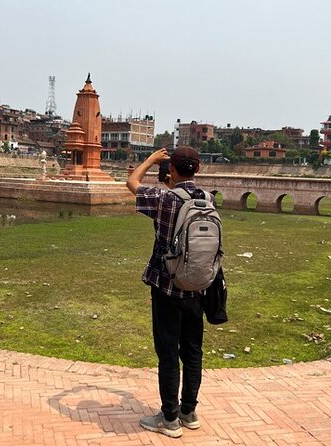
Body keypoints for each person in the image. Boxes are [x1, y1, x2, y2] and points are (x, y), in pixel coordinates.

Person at [126, 146, 209, 438]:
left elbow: (132, 183)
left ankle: (170, 418)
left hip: (166, 286)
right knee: (193, 351)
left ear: (172, 170)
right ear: (197, 169)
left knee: (168, 353)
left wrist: (150, 160)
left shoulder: (164, 199)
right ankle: (189, 411)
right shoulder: (208, 200)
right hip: (197, 288)